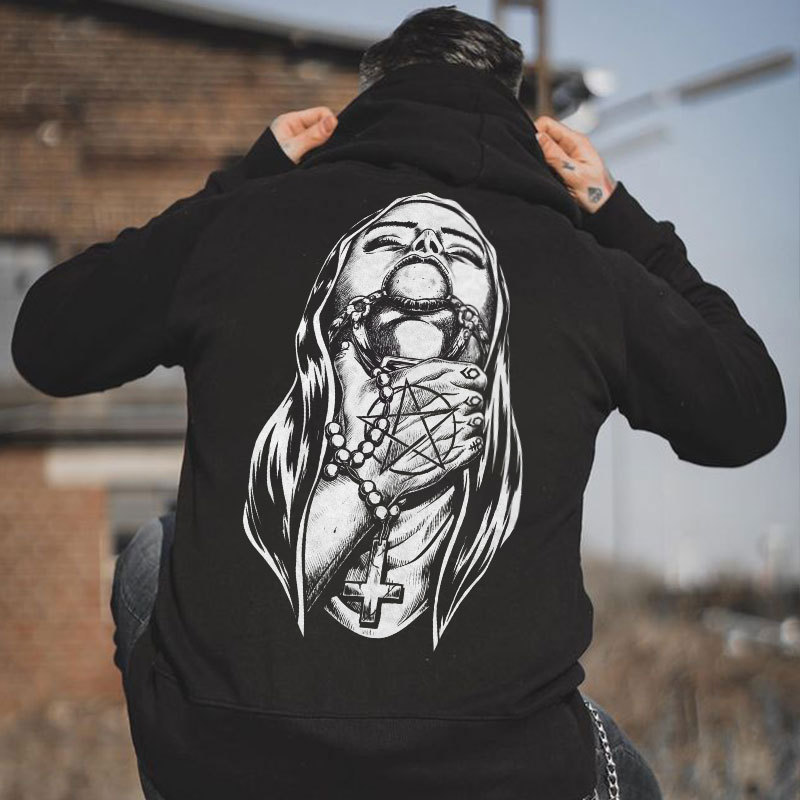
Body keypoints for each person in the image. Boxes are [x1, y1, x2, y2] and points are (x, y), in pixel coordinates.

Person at [12, 6, 785, 800]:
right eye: (389, 242)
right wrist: (614, 211)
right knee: (621, 769)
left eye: (455, 251)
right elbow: (748, 408)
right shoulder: (585, 270)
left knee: (151, 552)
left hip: (226, 762)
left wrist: (248, 181)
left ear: (373, 94)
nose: (423, 253)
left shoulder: (242, 226)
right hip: (502, 771)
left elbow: (49, 338)